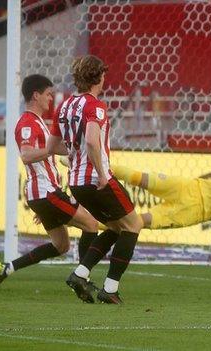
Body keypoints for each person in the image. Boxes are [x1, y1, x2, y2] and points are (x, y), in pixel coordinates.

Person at [0, 74, 99, 290]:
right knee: (91, 225)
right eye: (48, 94)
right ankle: (81, 279)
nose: (51, 98)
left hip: (44, 195)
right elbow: (27, 155)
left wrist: (77, 148)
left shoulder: (38, 122)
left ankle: (6, 268)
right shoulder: (27, 123)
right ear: (35, 95)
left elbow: (55, 149)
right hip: (46, 192)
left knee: (62, 245)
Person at [48, 55, 144, 304]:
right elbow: (91, 140)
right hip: (95, 179)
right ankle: (110, 289)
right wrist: (102, 174)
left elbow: (53, 146)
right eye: (103, 74)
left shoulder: (65, 106)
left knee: (115, 228)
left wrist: (74, 154)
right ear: (98, 76)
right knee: (133, 225)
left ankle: (80, 274)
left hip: (77, 182)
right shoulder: (96, 106)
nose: (104, 78)